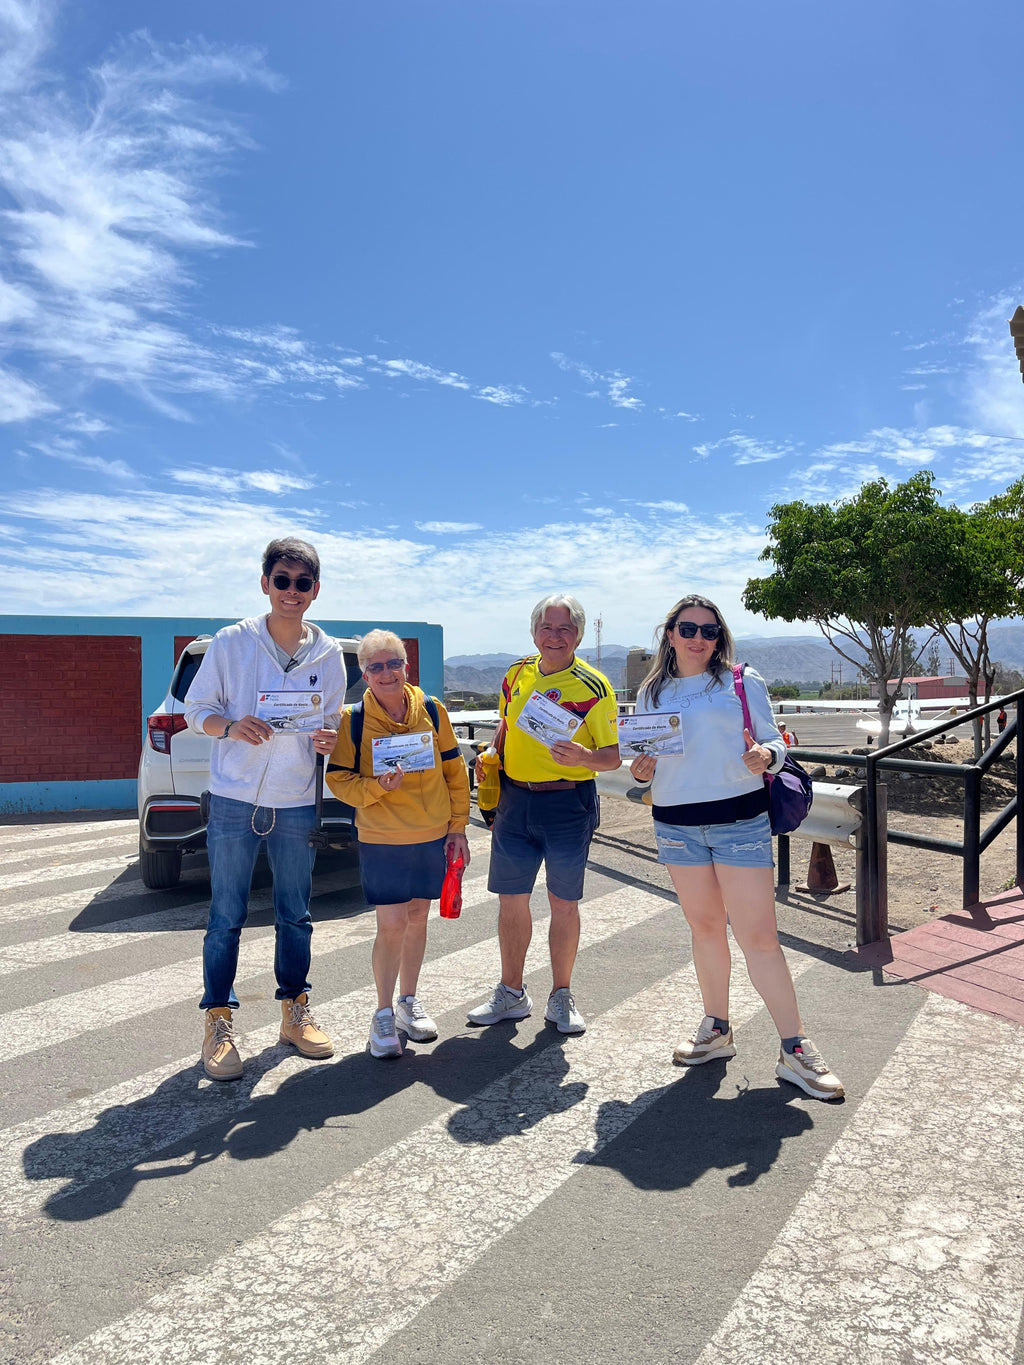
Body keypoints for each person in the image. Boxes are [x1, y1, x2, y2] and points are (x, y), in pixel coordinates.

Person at [630, 594, 844, 1100]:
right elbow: (645, 756)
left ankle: (795, 1048)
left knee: (759, 939)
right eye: (688, 629)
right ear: (670, 634)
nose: (699, 639)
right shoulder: (651, 691)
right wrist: (642, 768)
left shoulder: (743, 681)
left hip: (739, 822)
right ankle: (717, 1030)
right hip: (677, 823)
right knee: (705, 930)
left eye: (709, 631)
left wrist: (765, 754)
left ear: (720, 637)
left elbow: (776, 742)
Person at [185, 537, 346, 1081]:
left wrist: (329, 740)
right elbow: (195, 711)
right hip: (233, 799)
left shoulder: (328, 655)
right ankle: (219, 1020)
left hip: (297, 801)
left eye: (303, 583)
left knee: (295, 914)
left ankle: (295, 1013)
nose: (292, 592)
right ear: (266, 584)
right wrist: (230, 727)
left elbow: (333, 724)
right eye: (283, 581)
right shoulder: (231, 643)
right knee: (225, 916)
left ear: (315, 590)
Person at [467, 594, 620, 1036]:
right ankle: (511, 993)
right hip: (515, 801)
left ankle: (561, 995)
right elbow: (506, 722)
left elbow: (611, 758)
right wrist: (494, 750)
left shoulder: (596, 687)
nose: (554, 637)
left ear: (578, 634)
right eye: (547, 628)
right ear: (534, 632)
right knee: (510, 900)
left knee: (563, 902)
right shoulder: (516, 672)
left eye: (564, 629)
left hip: (567, 803)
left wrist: (584, 755)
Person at [326, 631, 470, 1058]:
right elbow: (338, 779)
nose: (386, 673)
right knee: (391, 926)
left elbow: (454, 771)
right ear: (364, 673)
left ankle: (409, 1001)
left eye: (394, 664)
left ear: (406, 666)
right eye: (375, 667)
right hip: (383, 838)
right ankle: (383, 1013)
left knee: (417, 918)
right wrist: (376, 788)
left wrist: (458, 827)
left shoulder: (431, 709)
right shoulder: (351, 719)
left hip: (431, 833)